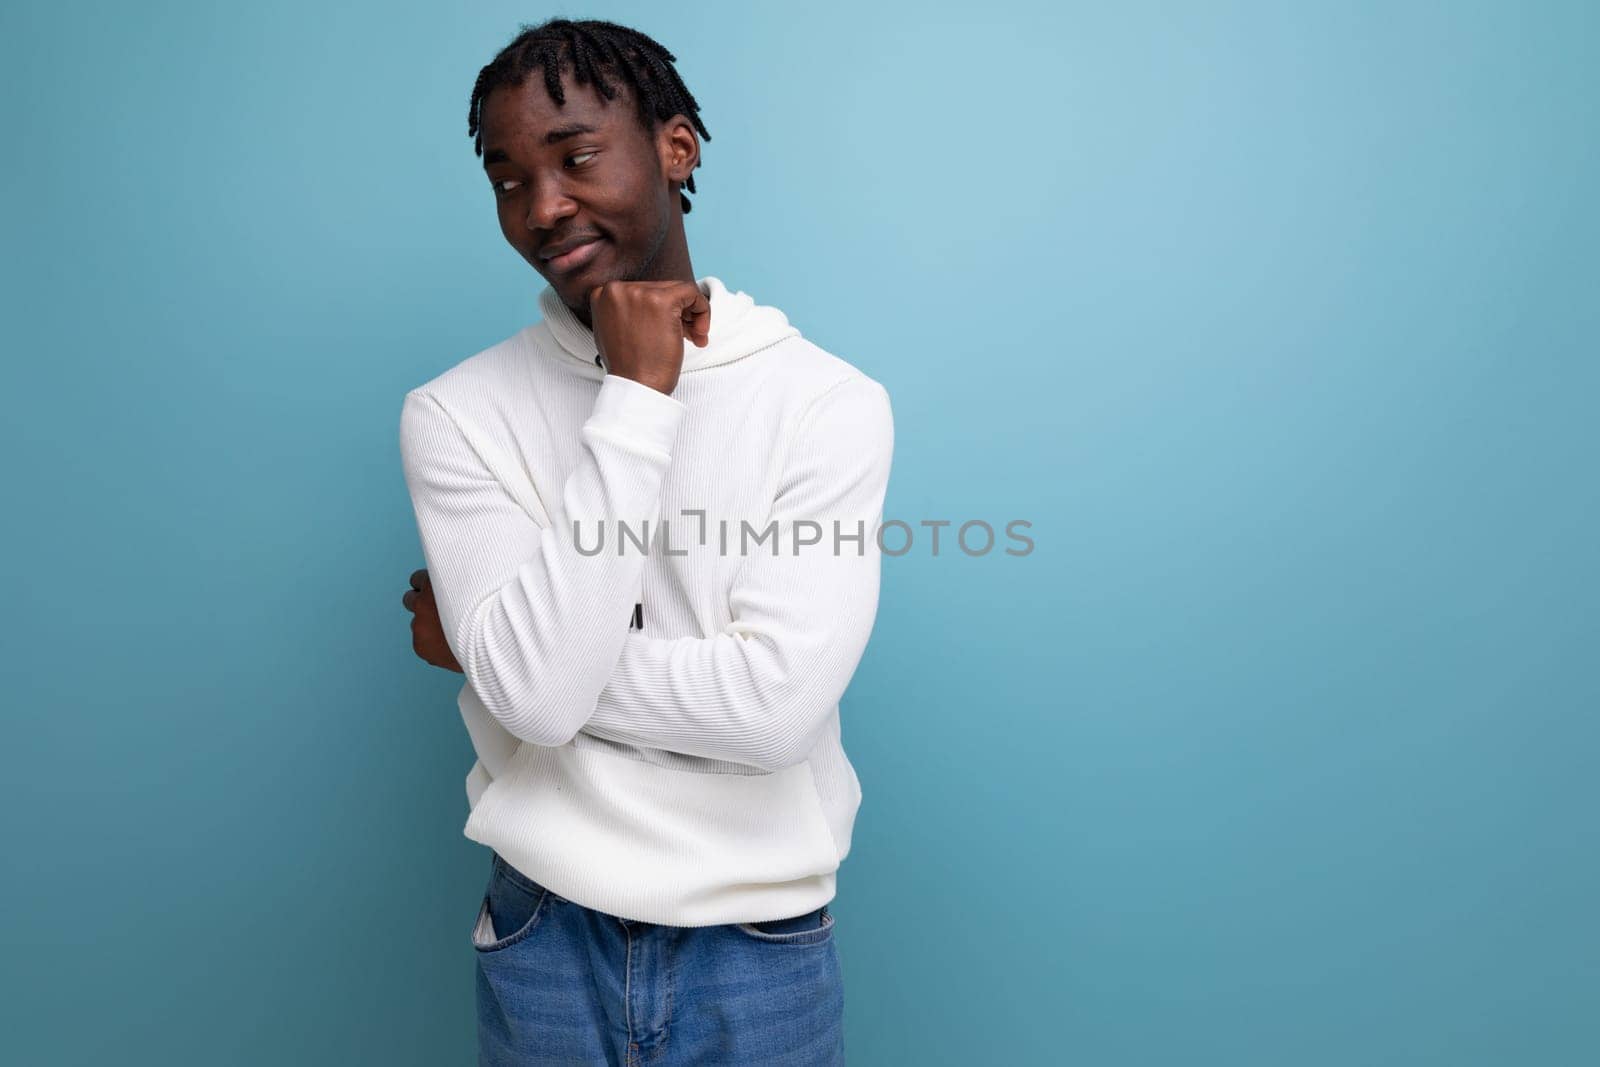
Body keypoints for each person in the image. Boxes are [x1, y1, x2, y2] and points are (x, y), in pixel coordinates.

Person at [397, 17, 893, 1065]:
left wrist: (499, 651)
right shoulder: (454, 413)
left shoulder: (825, 401)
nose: (542, 207)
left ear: (676, 149)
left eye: (575, 156)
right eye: (506, 178)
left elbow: (772, 712)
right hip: (545, 933)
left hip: (759, 941)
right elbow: (534, 698)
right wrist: (636, 392)